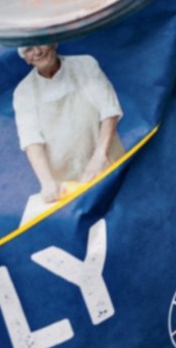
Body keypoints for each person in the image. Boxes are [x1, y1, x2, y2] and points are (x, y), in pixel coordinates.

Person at [12, 43, 126, 223]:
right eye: (29, 50)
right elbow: (31, 140)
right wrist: (47, 182)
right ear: (25, 58)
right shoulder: (23, 92)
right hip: (68, 185)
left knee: (123, 220)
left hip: (108, 164)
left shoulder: (85, 65)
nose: (38, 52)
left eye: (41, 43)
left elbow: (109, 111)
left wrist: (99, 158)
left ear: (54, 42)